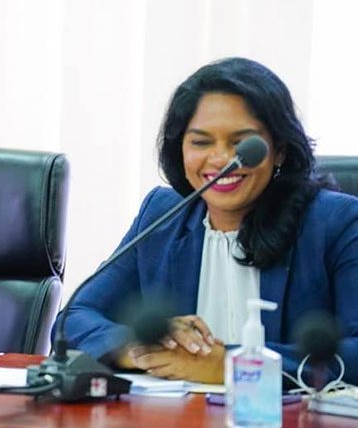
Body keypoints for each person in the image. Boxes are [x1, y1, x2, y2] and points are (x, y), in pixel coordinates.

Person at [61, 57, 358, 385]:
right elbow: (74, 318)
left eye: (242, 143)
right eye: (201, 142)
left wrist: (232, 366)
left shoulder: (335, 222)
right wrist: (137, 348)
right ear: (181, 150)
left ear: (280, 150)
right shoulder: (162, 215)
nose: (220, 160)